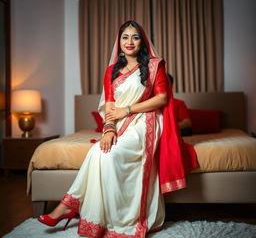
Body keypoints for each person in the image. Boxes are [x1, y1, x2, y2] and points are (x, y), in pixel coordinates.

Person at [37, 21, 198, 237]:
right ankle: (74, 209)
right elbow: (110, 106)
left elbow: (162, 98)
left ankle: (106, 215)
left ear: (142, 41)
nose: (129, 42)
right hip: (119, 123)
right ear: (119, 41)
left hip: (147, 121)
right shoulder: (111, 71)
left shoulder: (154, 65)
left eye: (135, 37)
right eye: (125, 37)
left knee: (111, 155)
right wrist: (109, 130)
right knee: (98, 152)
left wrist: (128, 109)